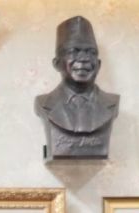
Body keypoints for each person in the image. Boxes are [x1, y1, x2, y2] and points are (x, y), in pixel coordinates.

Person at [34, 16, 119, 157]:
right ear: (56, 63)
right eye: (73, 51)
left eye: (91, 52)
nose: (84, 58)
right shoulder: (43, 104)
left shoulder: (112, 103)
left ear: (98, 64)